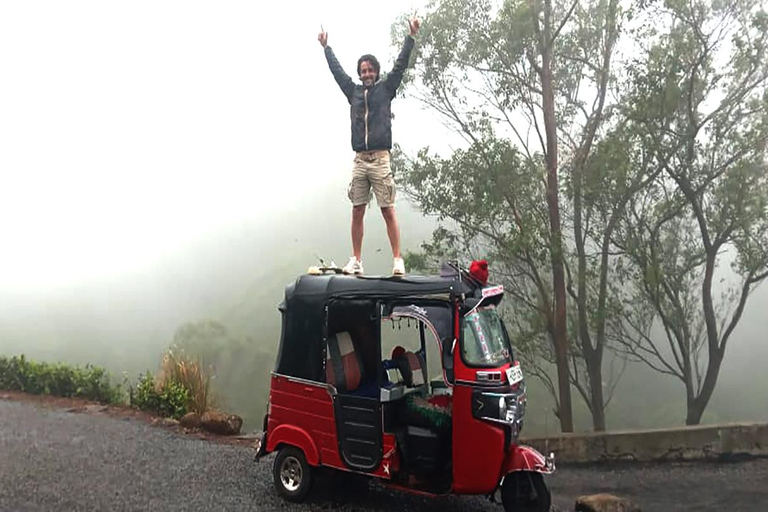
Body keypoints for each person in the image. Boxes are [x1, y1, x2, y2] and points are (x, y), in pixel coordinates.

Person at [318, 19, 420, 276]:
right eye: (362, 70)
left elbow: (400, 65)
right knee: (357, 210)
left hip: (380, 158)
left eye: (370, 70)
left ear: (376, 72)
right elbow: (337, 72)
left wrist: (411, 36)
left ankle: (397, 259)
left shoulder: (386, 89)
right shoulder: (352, 92)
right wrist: (326, 48)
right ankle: (356, 259)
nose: (366, 74)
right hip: (360, 159)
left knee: (387, 208)